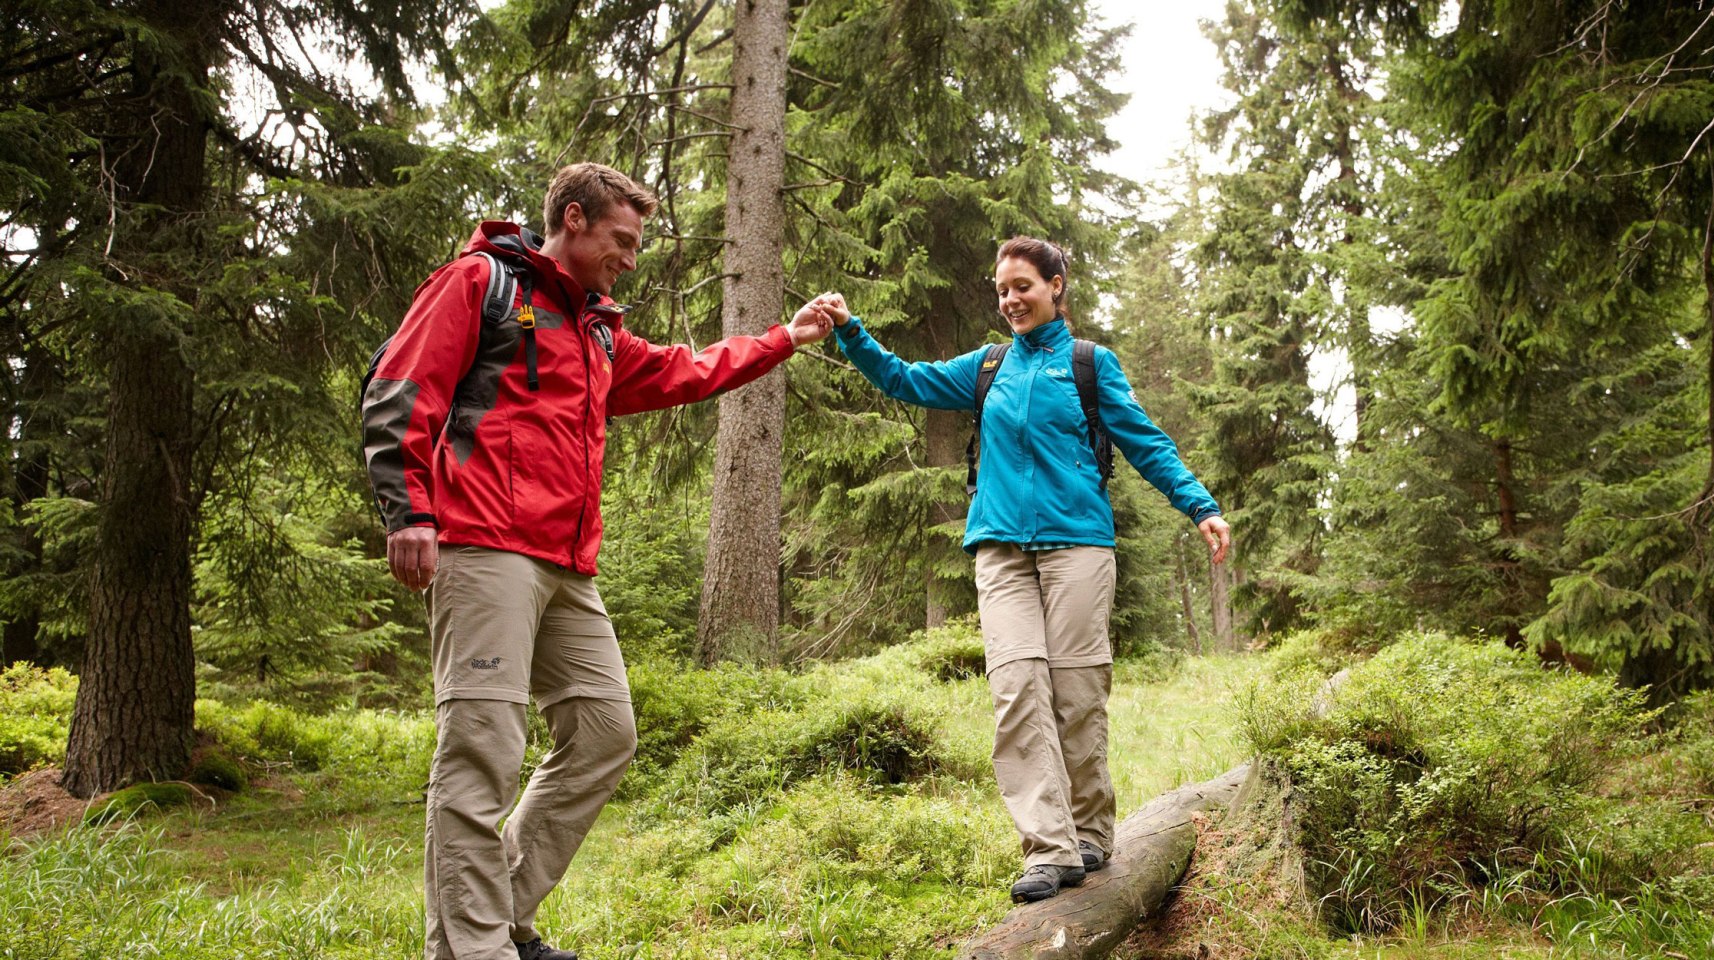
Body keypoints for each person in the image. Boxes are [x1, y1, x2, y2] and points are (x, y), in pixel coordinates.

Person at [361, 162, 834, 960]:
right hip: (483, 546)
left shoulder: (598, 331)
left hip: (566, 565)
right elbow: (400, 388)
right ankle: (475, 949)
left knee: (605, 732)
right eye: (622, 239)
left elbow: (689, 371)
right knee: (484, 745)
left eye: (637, 244)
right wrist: (407, 512)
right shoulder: (482, 282)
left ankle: (497, 916)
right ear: (572, 220)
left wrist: (787, 337)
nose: (632, 257)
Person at [808, 236, 1231, 903]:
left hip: (1078, 546)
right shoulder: (987, 367)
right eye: (1002, 290)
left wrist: (1199, 505)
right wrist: (851, 331)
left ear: (1057, 286)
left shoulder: (1091, 365)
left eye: (1024, 287)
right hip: (1000, 548)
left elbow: (1145, 442)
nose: (1011, 300)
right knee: (1016, 691)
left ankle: (1091, 833)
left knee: (1076, 693)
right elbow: (904, 379)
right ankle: (1048, 849)